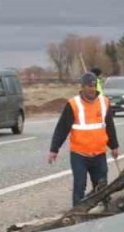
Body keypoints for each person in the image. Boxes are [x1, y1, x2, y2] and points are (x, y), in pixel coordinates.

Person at [48, 72, 119, 205]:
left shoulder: (104, 102)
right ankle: (77, 213)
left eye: (93, 86)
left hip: (99, 154)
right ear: (82, 87)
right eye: (88, 86)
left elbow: (109, 126)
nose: (91, 89)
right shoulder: (73, 104)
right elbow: (62, 128)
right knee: (79, 185)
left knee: (101, 186)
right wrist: (54, 149)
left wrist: (114, 146)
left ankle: (103, 210)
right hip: (79, 154)